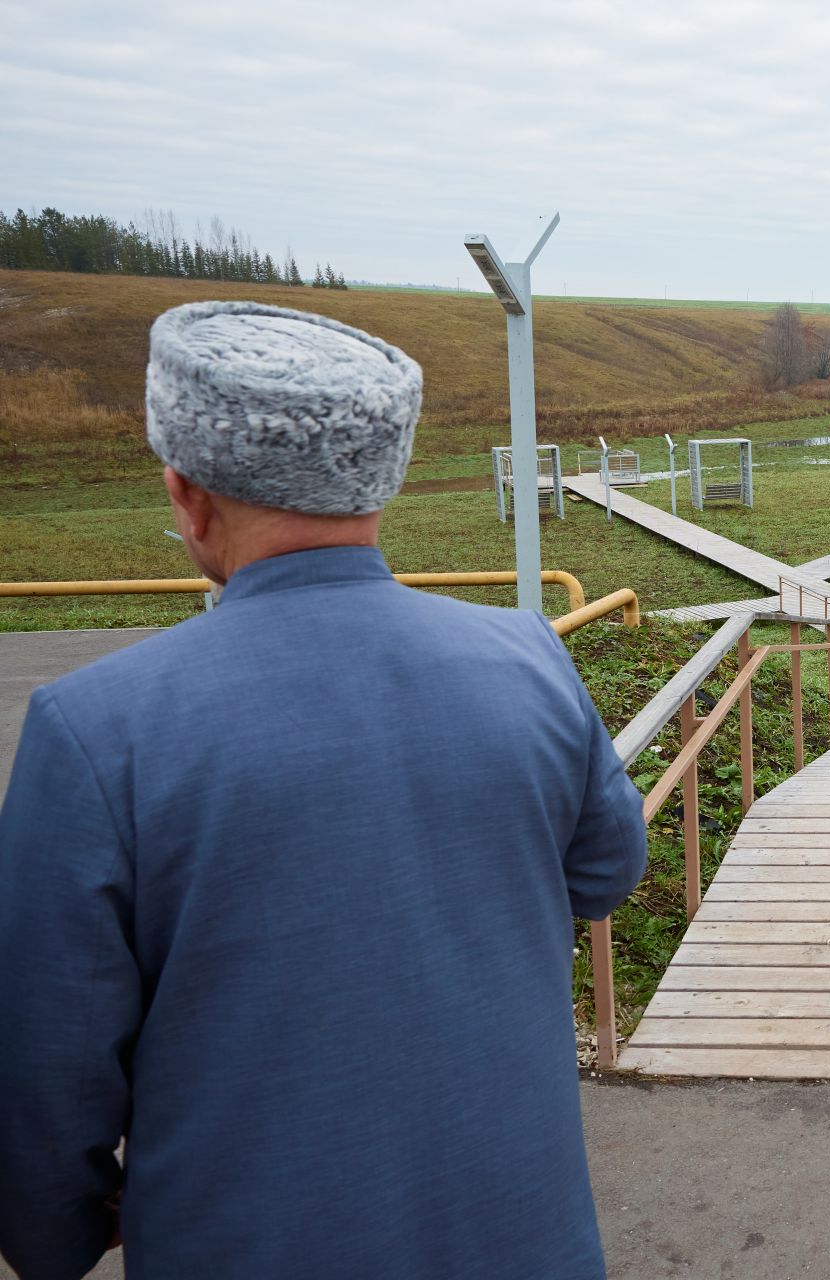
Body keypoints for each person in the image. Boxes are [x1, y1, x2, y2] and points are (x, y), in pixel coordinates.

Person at [0, 301, 649, 1279]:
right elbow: (607, 865)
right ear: (376, 481)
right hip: (525, 1236)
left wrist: (55, 1237)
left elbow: (46, 1069)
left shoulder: (95, 729)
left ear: (187, 493)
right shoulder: (526, 655)